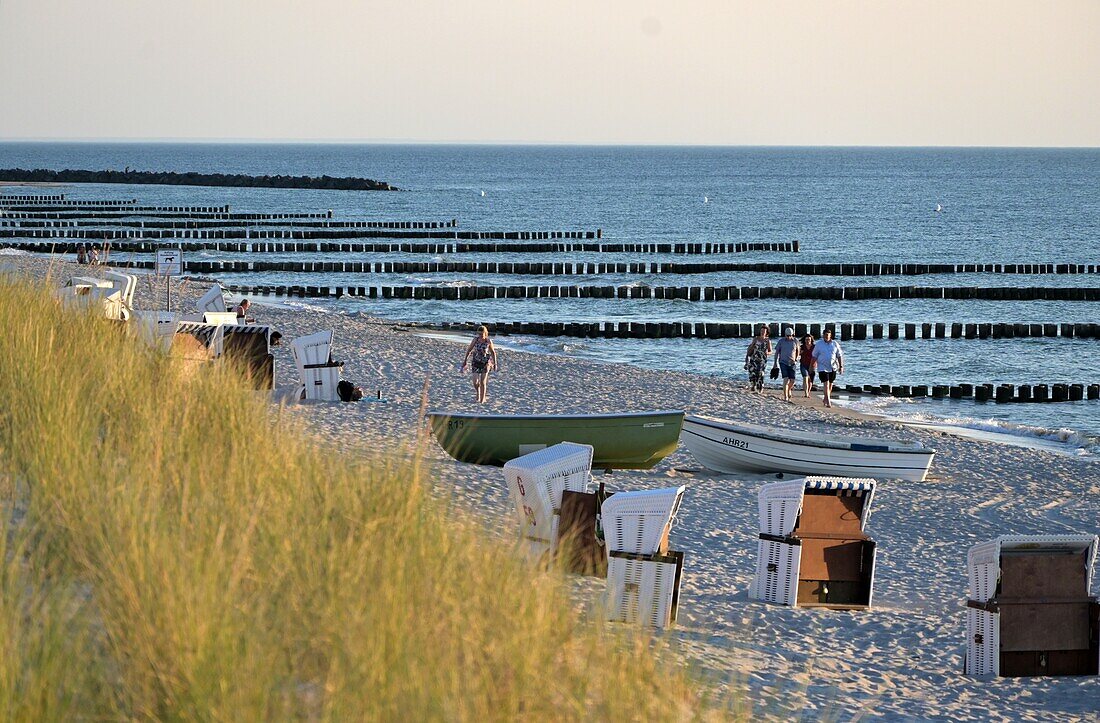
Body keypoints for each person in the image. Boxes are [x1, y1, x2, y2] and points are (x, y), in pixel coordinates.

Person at [461, 325, 498, 403]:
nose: (480, 335)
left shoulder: (488, 341)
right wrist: (465, 361)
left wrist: (495, 364)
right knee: (475, 382)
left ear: (485, 333)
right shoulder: (475, 340)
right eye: (479, 334)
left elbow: (493, 352)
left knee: (483, 382)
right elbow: (469, 350)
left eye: (482, 334)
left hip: (485, 363)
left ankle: (482, 399)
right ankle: (478, 392)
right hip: (475, 362)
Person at [812, 328, 845, 408]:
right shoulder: (819, 344)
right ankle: (828, 401)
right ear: (823, 335)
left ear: (830, 335)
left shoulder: (835, 344)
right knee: (826, 383)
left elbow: (839, 355)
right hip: (822, 367)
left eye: (828, 335)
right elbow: (814, 356)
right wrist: (812, 366)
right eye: (825, 335)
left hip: (833, 367)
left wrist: (841, 366)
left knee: (830, 384)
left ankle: (826, 398)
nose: (826, 336)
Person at [772, 327, 800, 402]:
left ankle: (789, 389)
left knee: (793, 380)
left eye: (790, 335)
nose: (788, 337)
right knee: (786, 378)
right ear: (785, 335)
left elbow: (798, 351)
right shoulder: (781, 341)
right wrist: (775, 363)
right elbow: (777, 352)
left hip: (792, 362)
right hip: (783, 362)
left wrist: (796, 359)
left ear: (792, 334)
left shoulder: (795, 341)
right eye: (787, 335)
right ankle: (785, 396)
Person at [744, 324, 772, 392]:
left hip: (762, 360)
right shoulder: (756, 339)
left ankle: (760, 388)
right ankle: (753, 385)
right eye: (761, 331)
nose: (762, 332)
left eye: (764, 331)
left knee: (760, 374)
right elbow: (750, 348)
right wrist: (747, 357)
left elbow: (770, 351)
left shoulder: (767, 341)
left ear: (766, 332)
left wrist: (767, 353)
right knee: (752, 372)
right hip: (753, 359)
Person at [799, 334, 817, 398]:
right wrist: (800, 352)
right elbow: (798, 354)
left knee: (810, 380)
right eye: (806, 339)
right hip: (803, 364)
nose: (807, 341)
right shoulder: (802, 347)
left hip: (812, 365)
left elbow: (817, 355)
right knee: (805, 377)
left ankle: (808, 392)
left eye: (809, 339)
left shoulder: (814, 347)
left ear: (811, 340)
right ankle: (806, 393)